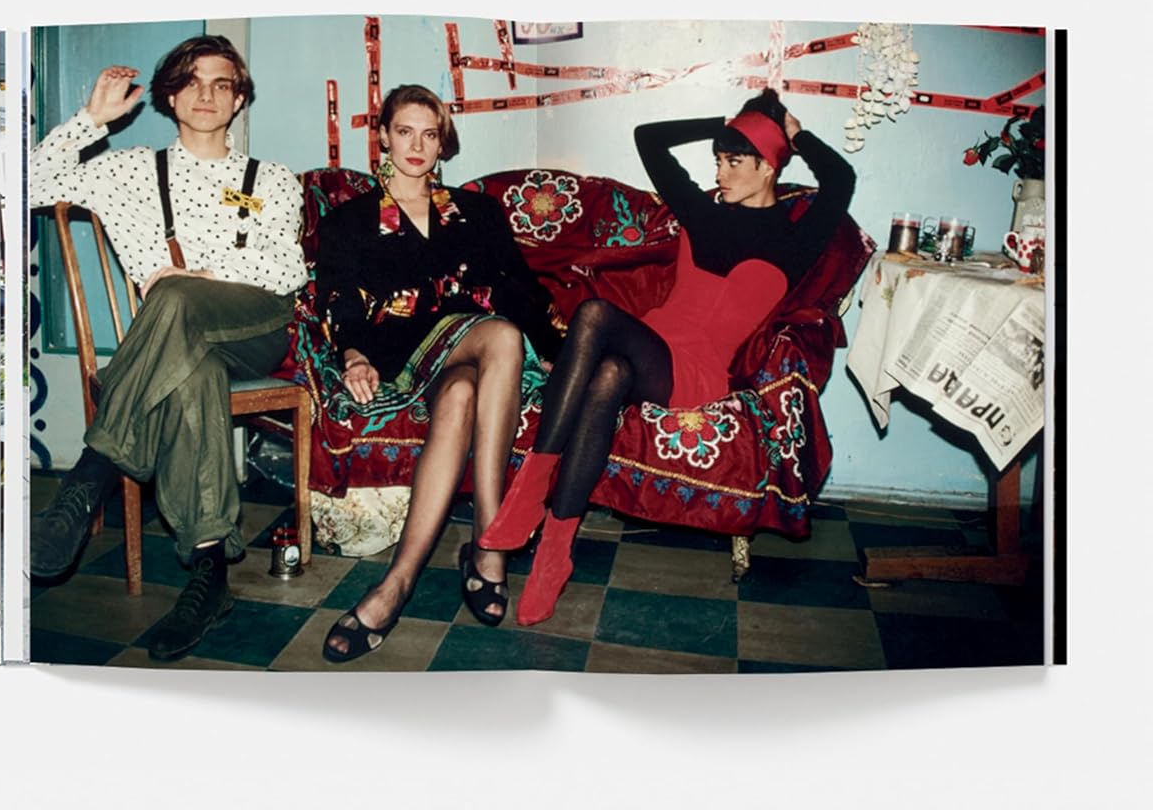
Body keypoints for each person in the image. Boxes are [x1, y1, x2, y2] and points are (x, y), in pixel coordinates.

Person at [479, 88, 856, 625]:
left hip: (696, 372)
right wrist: (721, 121)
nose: (720, 172)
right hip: (648, 348)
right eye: (718, 160)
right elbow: (648, 140)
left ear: (769, 166)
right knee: (608, 374)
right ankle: (555, 552)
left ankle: (530, 491)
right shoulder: (702, 212)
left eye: (734, 161)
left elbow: (841, 179)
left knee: (594, 314)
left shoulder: (796, 240)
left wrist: (794, 133)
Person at [27, 35, 307, 661]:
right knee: (192, 372)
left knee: (175, 295)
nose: (207, 94)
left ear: (239, 100)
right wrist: (91, 120)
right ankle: (210, 574)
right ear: (170, 96)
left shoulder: (270, 179)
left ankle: (89, 478)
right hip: (178, 341)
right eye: (192, 81)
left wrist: (205, 274)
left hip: (254, 325)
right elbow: (24, 186)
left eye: (222, 84)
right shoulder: (127, 171)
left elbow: (288, 267)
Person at [316, 84, 562, 662]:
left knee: (461, 397)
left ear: (442, 143)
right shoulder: (351, 220)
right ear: (383, 136)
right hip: (402, 352)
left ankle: (396, 583)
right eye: (405, 131)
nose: (417, 146)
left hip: (472, 356)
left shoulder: (477, 212)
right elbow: (337, 297)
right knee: (501, 335)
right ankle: (491, 541)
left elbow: (518, 287)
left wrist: (553, 348)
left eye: (429, 134)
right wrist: (353, 354)